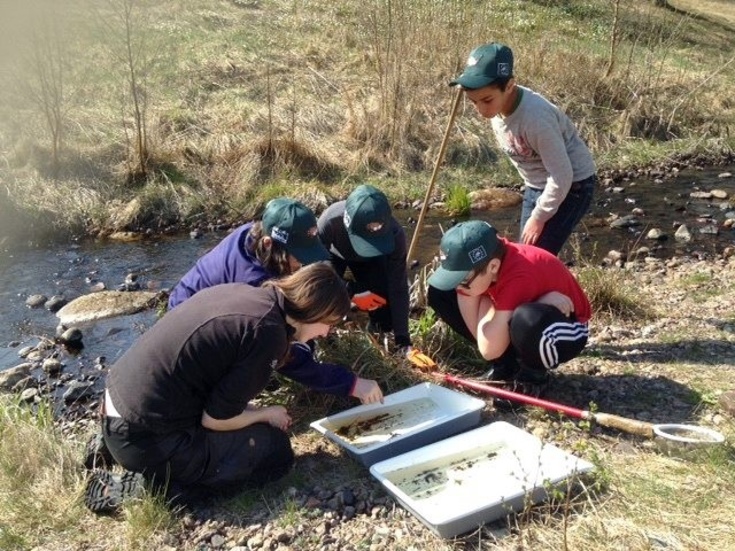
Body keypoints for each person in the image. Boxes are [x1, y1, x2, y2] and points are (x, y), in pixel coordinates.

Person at [85, 262, 352, 514]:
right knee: (276, 452)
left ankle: (110, 447)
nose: (326, 333)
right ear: (313, 310)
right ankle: (148, 488)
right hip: (146, 437)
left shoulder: (250, 294)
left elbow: (213, 385)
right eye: (328, 324)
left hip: (116, 404)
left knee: (248, 433)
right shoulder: (267, 334)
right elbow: (215, 420)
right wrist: (265, 414)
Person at [166, 197, 382, 405]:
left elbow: (302, 291)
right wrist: (351, 384)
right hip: (189, 330)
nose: (301, 265)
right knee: (258, 356)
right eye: (298, 257)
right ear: (269, 243)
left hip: (205, 310)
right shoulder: (255, 288)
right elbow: (288, 356)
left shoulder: (257, 236)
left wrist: (347, 293)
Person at [450, 43, 597, 255]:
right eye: (473, 102)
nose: (481, 110)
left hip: (573, 184)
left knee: (533, 257)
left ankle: (555, 287)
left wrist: (538, 217)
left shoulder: (536, 119)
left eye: (486, 100)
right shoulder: (498, 106)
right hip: (536, 184)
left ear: (509, 86)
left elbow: (563, 174)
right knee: (525, 253)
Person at [427, 220, 591, 394]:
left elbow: (489, 349)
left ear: (493, 266)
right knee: (441, 293)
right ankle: (506, 366)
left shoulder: (519, 273)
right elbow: (487, 346)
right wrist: (485, 308)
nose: (459, 286)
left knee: (527, 317)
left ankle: (532, 377)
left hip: (567, 329)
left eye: (463, 279)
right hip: (520, 314)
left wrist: (488, 311)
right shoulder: (483, 268)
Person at [317, 184, 418, 358]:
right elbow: (314, 269)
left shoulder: (395, 235)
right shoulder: (330, 220)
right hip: (334, 255)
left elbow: (398, 286)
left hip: (372, 260)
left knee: (384, 310)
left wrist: (403, 339)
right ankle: (325, 337)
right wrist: (350, 291)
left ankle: (377, 335)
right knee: (324, 294)